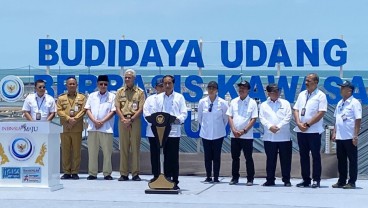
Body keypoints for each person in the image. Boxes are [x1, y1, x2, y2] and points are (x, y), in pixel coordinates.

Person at [293, 73, 327, 188]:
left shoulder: (321, 95)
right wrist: (298, 123)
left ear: (316, 82)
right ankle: (306, 179)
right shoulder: (302, 94)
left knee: (315, 156)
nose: (306, 83)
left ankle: (316, 179)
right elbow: (296, 109)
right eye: (306, 80)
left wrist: (307, 124)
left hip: (314, 131)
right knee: (303, 155)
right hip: (301, 130)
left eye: (309, 81)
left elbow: (321, 112)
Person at [154, 75, 188, 190]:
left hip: (173, 131)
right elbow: (155, 113)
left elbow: (184, 113)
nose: (167, 86)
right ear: (162, 85)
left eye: (169, 83)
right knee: (163, 157)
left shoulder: (179, 97)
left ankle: (174, 181)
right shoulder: (158, 98)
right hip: (161, 132)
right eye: (165, 83)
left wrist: (176, 119)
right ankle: (165, 179)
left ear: (173, 84)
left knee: (173, 158)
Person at [259, 84, 292, 187]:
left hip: (284, 136)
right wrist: (270, 126)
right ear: (268, 93)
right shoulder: (263, 105)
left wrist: (278, 126)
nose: (277, 93)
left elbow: (288, 116)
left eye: (278, 91)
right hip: (269, 136)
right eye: (274, 91)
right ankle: (270, 179)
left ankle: (286, 180)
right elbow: (262, 118)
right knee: (270, 159)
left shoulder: (285, 103)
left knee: (285, 159)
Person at [115, 69, 145, 181]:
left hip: (135, 120)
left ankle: (135, 173)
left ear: (134, 79)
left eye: (129, 77)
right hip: (122, 120)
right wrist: (123, 119)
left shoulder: (140, 92)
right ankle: (124, 173)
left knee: (135, 147)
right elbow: (117, 107)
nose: (127, 79)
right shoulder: (120, 91)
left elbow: (141, 108)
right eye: (126, 77)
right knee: (123, 147)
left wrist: (131, 119)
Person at [226, 80, 258, 186]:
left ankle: (250, 179)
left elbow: (253, 119)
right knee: (235, 158)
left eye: (244, 88)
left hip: (247, 136)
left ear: (248, 90)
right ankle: (235, 178)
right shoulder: (234, 101)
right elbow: (230, 116)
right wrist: (234, 130)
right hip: (234, 135)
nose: (241, 89)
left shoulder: (252, 103)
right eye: (240, 88)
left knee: (248, 158)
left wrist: (244, 131)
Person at [85, 75, 116, 180]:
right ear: (97, 84)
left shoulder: (112, 96)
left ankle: (107, 173)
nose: (103, 86)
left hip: (106, 128)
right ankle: (92, 173)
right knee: (92, 152)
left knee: (107, 152)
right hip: (93, 127)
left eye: (105, 84)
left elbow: (113, 111)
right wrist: (94, 121)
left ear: (108, 85)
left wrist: (102, 121)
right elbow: (87, 109)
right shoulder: (92, 96)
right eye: (101, 84)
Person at [331, 80, 362, 189]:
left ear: (349, 90)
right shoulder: (340, 103)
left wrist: (355, 135)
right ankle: (341, 180)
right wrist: (334, 132)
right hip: (340, 136)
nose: (341, 89)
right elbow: (337, 119)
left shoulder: (354, 103)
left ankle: (352, 182)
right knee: (341, 160)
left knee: (352, 160)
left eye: (343, 87)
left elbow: (358, 119)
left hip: (350, 137)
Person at [197, 81, 228, 183]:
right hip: (206, 133)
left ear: (217, 90)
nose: (211, 90)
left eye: (213, 88)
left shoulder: (223, 103)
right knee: (207, 156)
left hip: (218, 134)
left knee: (216, 156)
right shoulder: (202, 102)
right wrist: (206, 128)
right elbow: (200, 118)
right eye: (209, 88)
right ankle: (208, 176)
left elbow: (225, 119)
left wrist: (218, 128)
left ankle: (216, 177)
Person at [57, 77, 86, 180]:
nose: (72, 86)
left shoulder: (82, 97)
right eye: (70, 84)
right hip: (65, 128)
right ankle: (66, 172)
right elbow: (59, 111)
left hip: (77, 128)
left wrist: (75, 119)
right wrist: (68, 119)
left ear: (76, 85)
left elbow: (83, 110)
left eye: (74, 84)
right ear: (66, 85)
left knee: (76, 151)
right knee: (65, 151)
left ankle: (74, 172)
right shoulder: (61, 98)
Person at [143, 78, 165, 182]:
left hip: (166, 131)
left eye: (163, 86)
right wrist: (154, 123)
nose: (161, 88)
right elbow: (146, 113)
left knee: (166, 154)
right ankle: (156, 175)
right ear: (155, 87)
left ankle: (166, 174)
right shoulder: (150, 99)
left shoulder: (169, 98)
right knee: (154, 154)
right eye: (159, 86)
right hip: (153, 130)